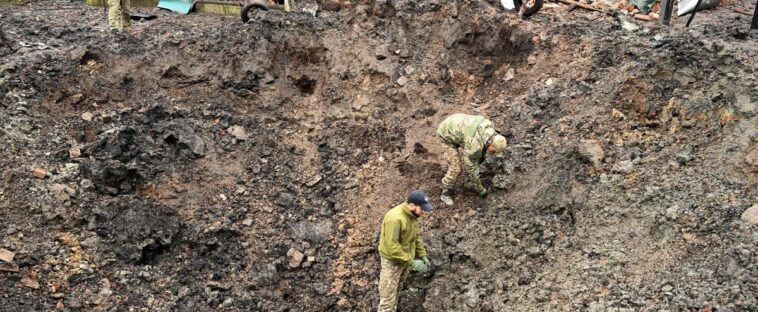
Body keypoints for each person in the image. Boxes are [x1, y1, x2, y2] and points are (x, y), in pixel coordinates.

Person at [377, 190, 433, 312]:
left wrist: (422, 254)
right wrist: (412, 262)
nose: (423, 212)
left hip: (405, 258)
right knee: (387, 297)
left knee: (397, 289)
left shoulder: (413, 216)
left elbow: (415, 236)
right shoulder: (395, 219)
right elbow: (393, 247)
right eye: (422, 209)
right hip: (392, 261)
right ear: (412, 205)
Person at [436, 113, 507, 206]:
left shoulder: (489, 129)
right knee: (456, 168)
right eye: (493, 151)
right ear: (491, 144)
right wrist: (480, 189)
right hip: (445, 135)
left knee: (479, 157)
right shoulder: (474, 146)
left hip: (456, 123)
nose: (492, 153)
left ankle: (469, 180)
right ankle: (446, 193)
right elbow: (471, 168)